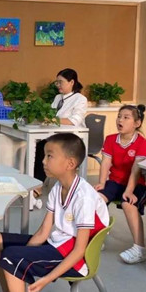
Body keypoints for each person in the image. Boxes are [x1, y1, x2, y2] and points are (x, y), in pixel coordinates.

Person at [0, 133, 109, 292]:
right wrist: (24, 255)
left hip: (74, 257)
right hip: (57, 244)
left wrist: (46, 279)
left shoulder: (83, 197)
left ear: (70, 163)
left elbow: (79, 250)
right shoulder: (58, 187)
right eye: (44, 155)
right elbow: (43, 233)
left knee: (11, 258)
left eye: (50, 156)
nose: (43, 161)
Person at [95, 104, 146, 264]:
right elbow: (106, 163)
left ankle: (140, 249)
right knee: (97, 198)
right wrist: (101, 183)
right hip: (115, 181)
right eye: (119, 116)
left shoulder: (143, 143)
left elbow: (136, 170)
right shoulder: (110, 139)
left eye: (126, 117)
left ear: (137, 123)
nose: (120, 120)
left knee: (128, 204)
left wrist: (129, 191)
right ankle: (96, 238)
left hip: (138, 184)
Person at [33, 68, 88, 196]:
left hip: (72, 138)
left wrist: (53, 119)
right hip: (56, 134)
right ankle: (35, 182)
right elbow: (51, 114)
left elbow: (74, 120)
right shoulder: (58, 98)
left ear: (71, 82)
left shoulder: (80, 99)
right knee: (39, 145)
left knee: (43, 147)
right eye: (57, 82)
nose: (58, 85)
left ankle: (38, 185)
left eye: (61, 82)